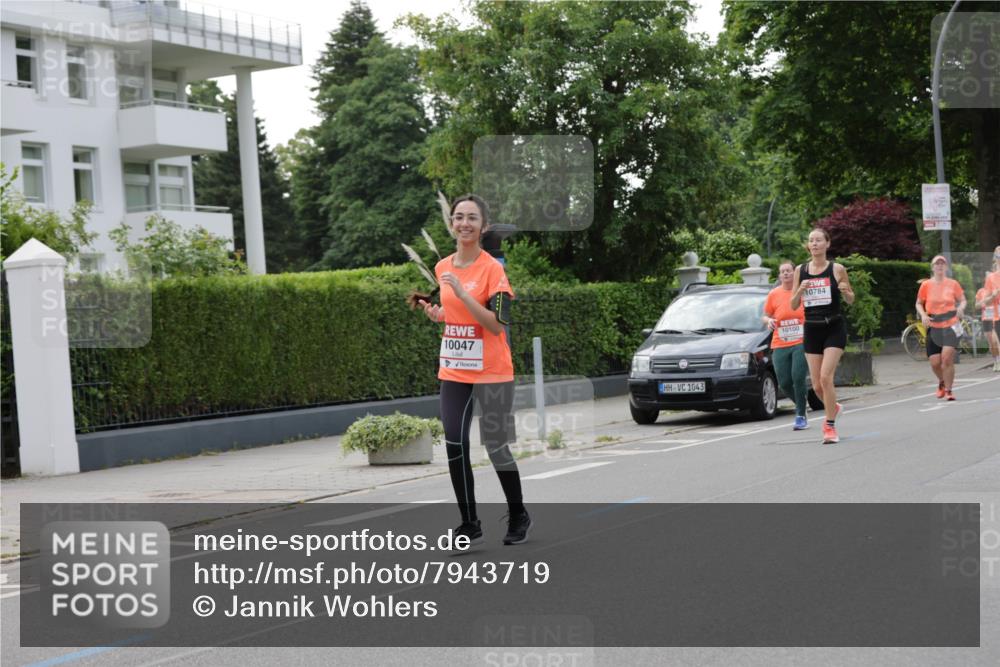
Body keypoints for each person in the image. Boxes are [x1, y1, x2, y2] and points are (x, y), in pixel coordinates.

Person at [411, 194, 531, 546]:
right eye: (458, 217)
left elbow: (495, 325)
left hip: (493, 371)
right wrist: (441, 316)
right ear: (451, 224)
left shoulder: (493, 269)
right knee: (454, 442)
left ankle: (519, 512)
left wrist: (463, 295)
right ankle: (469, 523)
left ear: (483, 227)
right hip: (455, 370)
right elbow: (458, 317)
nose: (464, 223)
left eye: (472, 218)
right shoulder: (442, 267)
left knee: (496, 447)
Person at [791, 228, 854, 444]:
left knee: (826, 378)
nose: (815, 244)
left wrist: (845, 291)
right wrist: (800, 290)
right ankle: (833, 407)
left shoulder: (837, 269)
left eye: (819, 240)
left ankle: (829, 427)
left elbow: (851, 299)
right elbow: (793, 304)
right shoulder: (801, 270)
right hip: (812, 329)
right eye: (811, 241)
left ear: (827, 243)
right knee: (817, 386)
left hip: (833, 327)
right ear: (808, 246)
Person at [762, 260, 809, 431]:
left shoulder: (802, 291)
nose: (786, 273)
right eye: (783, 271)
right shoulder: (774, 294)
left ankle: (800, 415)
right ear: (779, 275)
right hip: (780, 341)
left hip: (800, 341)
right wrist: (769, 321)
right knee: (784, 382)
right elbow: (765, 315)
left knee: (798, 377)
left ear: (794, 273)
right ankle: (801, 403)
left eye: (789, 270)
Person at [915, 255, 967, 401]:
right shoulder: (926, 285)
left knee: (946, 359)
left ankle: (949, 390)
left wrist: (961, 308)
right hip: (933, 325)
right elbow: (918, 303)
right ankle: (942, 382)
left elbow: (962, 300)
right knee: (935, 362)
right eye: (936, 264)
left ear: (946, 267)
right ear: (932, 267)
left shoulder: (953, 284)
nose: (939, 266)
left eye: (942, 264)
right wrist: (924, 315)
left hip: (951, 324)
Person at [975, 269, 1000, 372]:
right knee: (991, 344)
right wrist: (985, 301)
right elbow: (976, 305)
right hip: (986, 319)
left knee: (995, 341)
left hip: (995, 317)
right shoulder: (981, 292)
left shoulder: (996, 288)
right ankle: (996, 361)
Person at [981, 248, 1000, 372]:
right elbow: (984, 301)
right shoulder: (991, 278)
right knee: (993, 341)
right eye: (998, 257)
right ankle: (996, 360)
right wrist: (993, 295)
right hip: (996, 316)